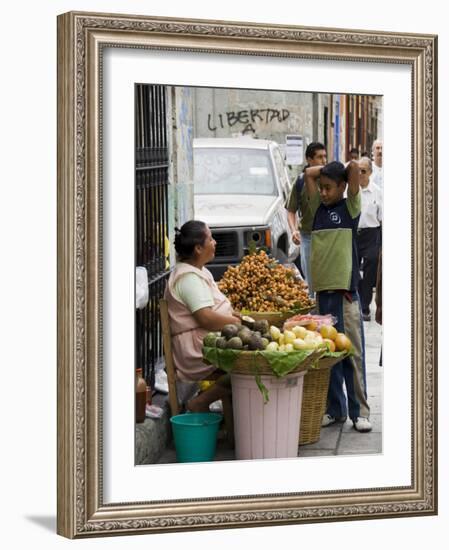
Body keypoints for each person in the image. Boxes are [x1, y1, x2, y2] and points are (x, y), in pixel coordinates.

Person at [304, 160, 372, 432]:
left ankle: (360, 412)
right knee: (327, 355)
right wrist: (325, 174)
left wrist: (340, 172)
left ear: (343, 187)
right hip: (323, 297)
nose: (323, 192)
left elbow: (355, 167)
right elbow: (308, 173)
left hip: (346, 295)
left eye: (329, 188)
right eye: (321, 188)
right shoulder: (316, 211)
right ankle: (335, 410)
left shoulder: (350, 208)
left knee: (352, 354)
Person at [163, 220, 241, 412]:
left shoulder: (198, 271)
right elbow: (205, 318)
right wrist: (236, 322)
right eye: (211, 238)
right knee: (252, 365)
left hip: (206, 340)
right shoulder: (188, 279)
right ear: (198, 248)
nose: (215, 243)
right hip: (197, 349)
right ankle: (201, 402)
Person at [286, 142, 327, 297]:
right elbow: (291, 210)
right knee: (310, 281)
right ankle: (313, 314)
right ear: (309, 160)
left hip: (328, 236)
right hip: (308, 236)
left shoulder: (330, 179)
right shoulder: (301, 181)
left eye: (325, 156)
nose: (324, 161)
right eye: (319, 157)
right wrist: (294, 230)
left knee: (326, 279)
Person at [356, 157, 382, 321]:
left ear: (370, 173)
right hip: (353, 234)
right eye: (357, 170)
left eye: (363, 171)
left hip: (372, 233)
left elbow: (382, 218)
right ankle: (357, 302)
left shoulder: (378, 192)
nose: (359, 174)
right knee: (353, 269)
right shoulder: (349, 190)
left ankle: (365, 306)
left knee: (370, 270)